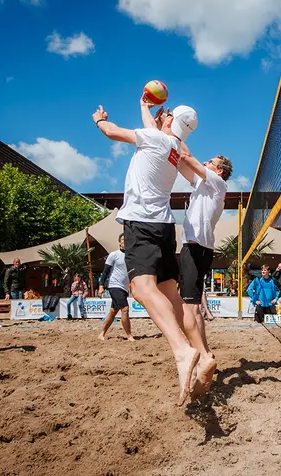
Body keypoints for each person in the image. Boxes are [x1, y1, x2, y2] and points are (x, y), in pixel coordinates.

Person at [92, 100, 202, 406]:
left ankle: (182, 350)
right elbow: (156, 131)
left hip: (141, 223)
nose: (160, 117)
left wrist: (99, 120)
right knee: (169, 291)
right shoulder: (175, 147)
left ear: (168, 123)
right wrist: (144, 106)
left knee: (141, 289)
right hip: (165, 225)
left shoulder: (154, 138)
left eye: (165, 116)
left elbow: (112, 133)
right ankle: (203, 354)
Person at [176, 150, 231, 396]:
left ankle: (201, 357)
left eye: (212, 162)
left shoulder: (218, 182)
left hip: (195, 246)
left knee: (189, 308)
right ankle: (206, 352)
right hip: (199, 247)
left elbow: (188, 159)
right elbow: (180, 164)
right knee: (194, 306)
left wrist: (171, 136)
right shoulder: (203, 183)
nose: (207, 163)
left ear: (219, 171)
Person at [98, 234, 133, 341]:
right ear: (119, 243)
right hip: (114, 285)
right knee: (125, 309)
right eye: (123, 240)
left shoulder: (131, 256)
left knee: (113, 311)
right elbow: (105, 272)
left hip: (124, 288)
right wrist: (101, 286)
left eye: (126, 239)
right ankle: (129, 335)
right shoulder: (114, 255)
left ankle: (101, 333)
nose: (125, 242)